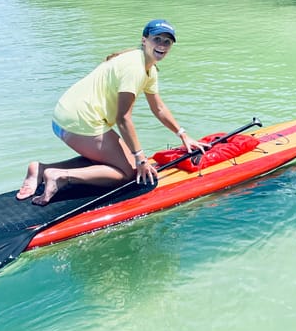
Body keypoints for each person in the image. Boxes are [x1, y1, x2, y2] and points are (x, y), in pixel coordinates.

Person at [17, 18, 208, 206]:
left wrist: (183, 135)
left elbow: (158, 107)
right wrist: (140, 158)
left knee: (113, 162)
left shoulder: (147, 67)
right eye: (157, 39)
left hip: (65, 117)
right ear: (144, 40)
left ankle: (42, 170)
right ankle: (60, 176)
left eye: (167, 42)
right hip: (80, 121)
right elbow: (123, 118)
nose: (162, 45)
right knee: (127, 173)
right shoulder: (135, 68)